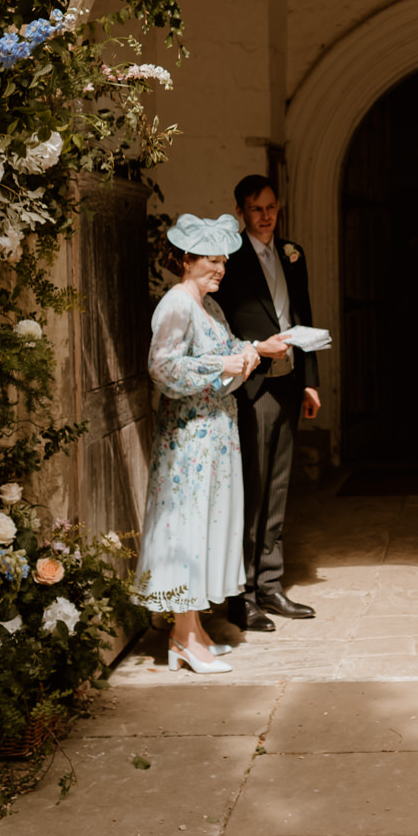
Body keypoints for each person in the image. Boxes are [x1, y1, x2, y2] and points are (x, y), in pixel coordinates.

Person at [132, 213, 293, 673]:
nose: (221, 269)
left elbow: (220, 353)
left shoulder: (209, 304)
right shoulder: (177, 304)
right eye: (212, 260)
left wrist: (252, 351)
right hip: (189, 439)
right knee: (187, 527)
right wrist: (226, 364)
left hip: (214, 434)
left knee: (206, 527)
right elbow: (164, 370)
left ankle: (195, 630)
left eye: (223, 260)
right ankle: (183, 637)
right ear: (187, 259)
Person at [214, 174, 321, 632]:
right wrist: (254, 350)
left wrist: (311, 381)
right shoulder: (230, 260)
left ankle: (272, 583)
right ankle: (243, 594)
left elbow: (304, 316)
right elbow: (218, 322)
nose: (266, 216)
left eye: (272, 207)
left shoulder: (292, 255)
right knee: (251, 489)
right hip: (251, 384)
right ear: (241, 211)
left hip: (288, 383)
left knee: (277, 486)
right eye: (257, 209)